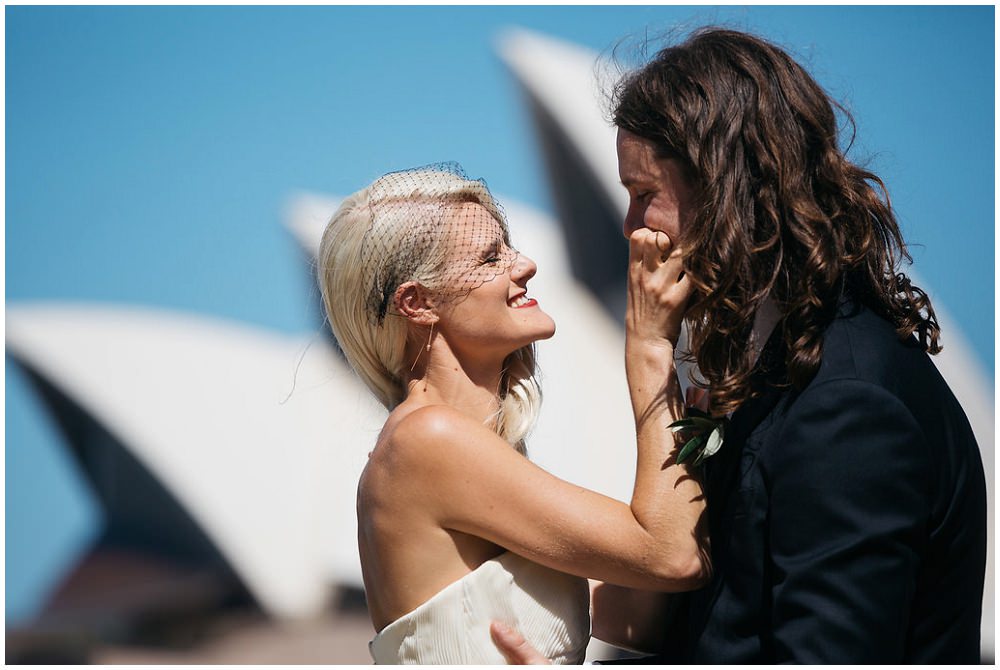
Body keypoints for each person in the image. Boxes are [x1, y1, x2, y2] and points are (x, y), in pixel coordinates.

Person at [491, 27, 987, 664]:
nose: (628, 227)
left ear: (726, 188)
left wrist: (648, 354)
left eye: (645, 195)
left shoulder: (849, 406)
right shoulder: (784, 368)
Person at [316, 163, 710, 664]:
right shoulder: (428, 438)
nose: (524, 264)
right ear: (417, 303)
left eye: (508, 245)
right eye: (489, 257)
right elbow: (672, 555)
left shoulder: (449, 441)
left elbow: (625, 608)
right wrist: (650, 349)